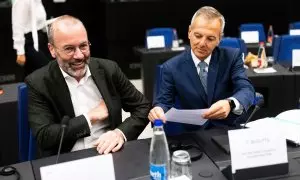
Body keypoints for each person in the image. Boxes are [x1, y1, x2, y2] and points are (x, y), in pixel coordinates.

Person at [25, 15, 151, 157]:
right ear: (52, 50)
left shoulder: (109, 70)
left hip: (110, 154)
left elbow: (143, 107)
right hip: (66, 159)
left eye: (83, 46)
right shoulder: (38, 82)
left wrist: (119, 133)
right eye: (69, 49)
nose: (79, 56)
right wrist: (89, 117)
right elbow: (45, 137)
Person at [148, 6, 255, 128]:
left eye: (210, 38)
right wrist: (158, 110)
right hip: (193, 135)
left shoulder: (231, 57)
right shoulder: (171, 67)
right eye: (198, 36)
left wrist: (230, 103)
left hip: (227, 130)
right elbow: (163, 102)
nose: (202, 43)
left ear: (219, 39)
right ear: (189, 32)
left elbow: (247, 89)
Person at [12, 0, 53, 77]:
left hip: (41, 39)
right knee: (45, 71)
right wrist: (20, 52)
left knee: (34, 75)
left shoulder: (37, 1)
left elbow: (40, 22)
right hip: (29, 42)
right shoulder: (21, 1)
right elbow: (17, 26)